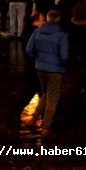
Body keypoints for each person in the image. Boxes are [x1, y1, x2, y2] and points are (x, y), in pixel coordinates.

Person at [26, 10, 69, 138]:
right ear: (58, 19)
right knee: (52, 98)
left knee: (45, 94)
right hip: (55, 69)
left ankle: (33, 119)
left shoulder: (37, 31)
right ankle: (46, 128)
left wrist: (38, 59)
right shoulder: (61, 34)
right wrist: (64, 66)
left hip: (40, 68)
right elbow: (64, 55)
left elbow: (29, 50)